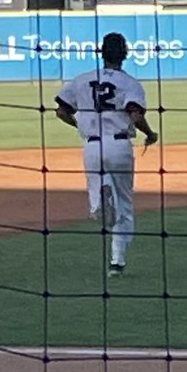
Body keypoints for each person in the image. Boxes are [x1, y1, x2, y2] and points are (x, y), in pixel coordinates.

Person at [55, 32, 158, 278]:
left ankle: (98, 202)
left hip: (92, 145)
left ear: (101, 53)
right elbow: (135, 115)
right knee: (124, 205)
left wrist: (82, 125)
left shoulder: (81, 80)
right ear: (125, 55)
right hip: (120, 146)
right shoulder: (130, 83)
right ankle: (116, 262)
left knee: (98, 188)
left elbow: (61, 111)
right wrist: (150, 133)